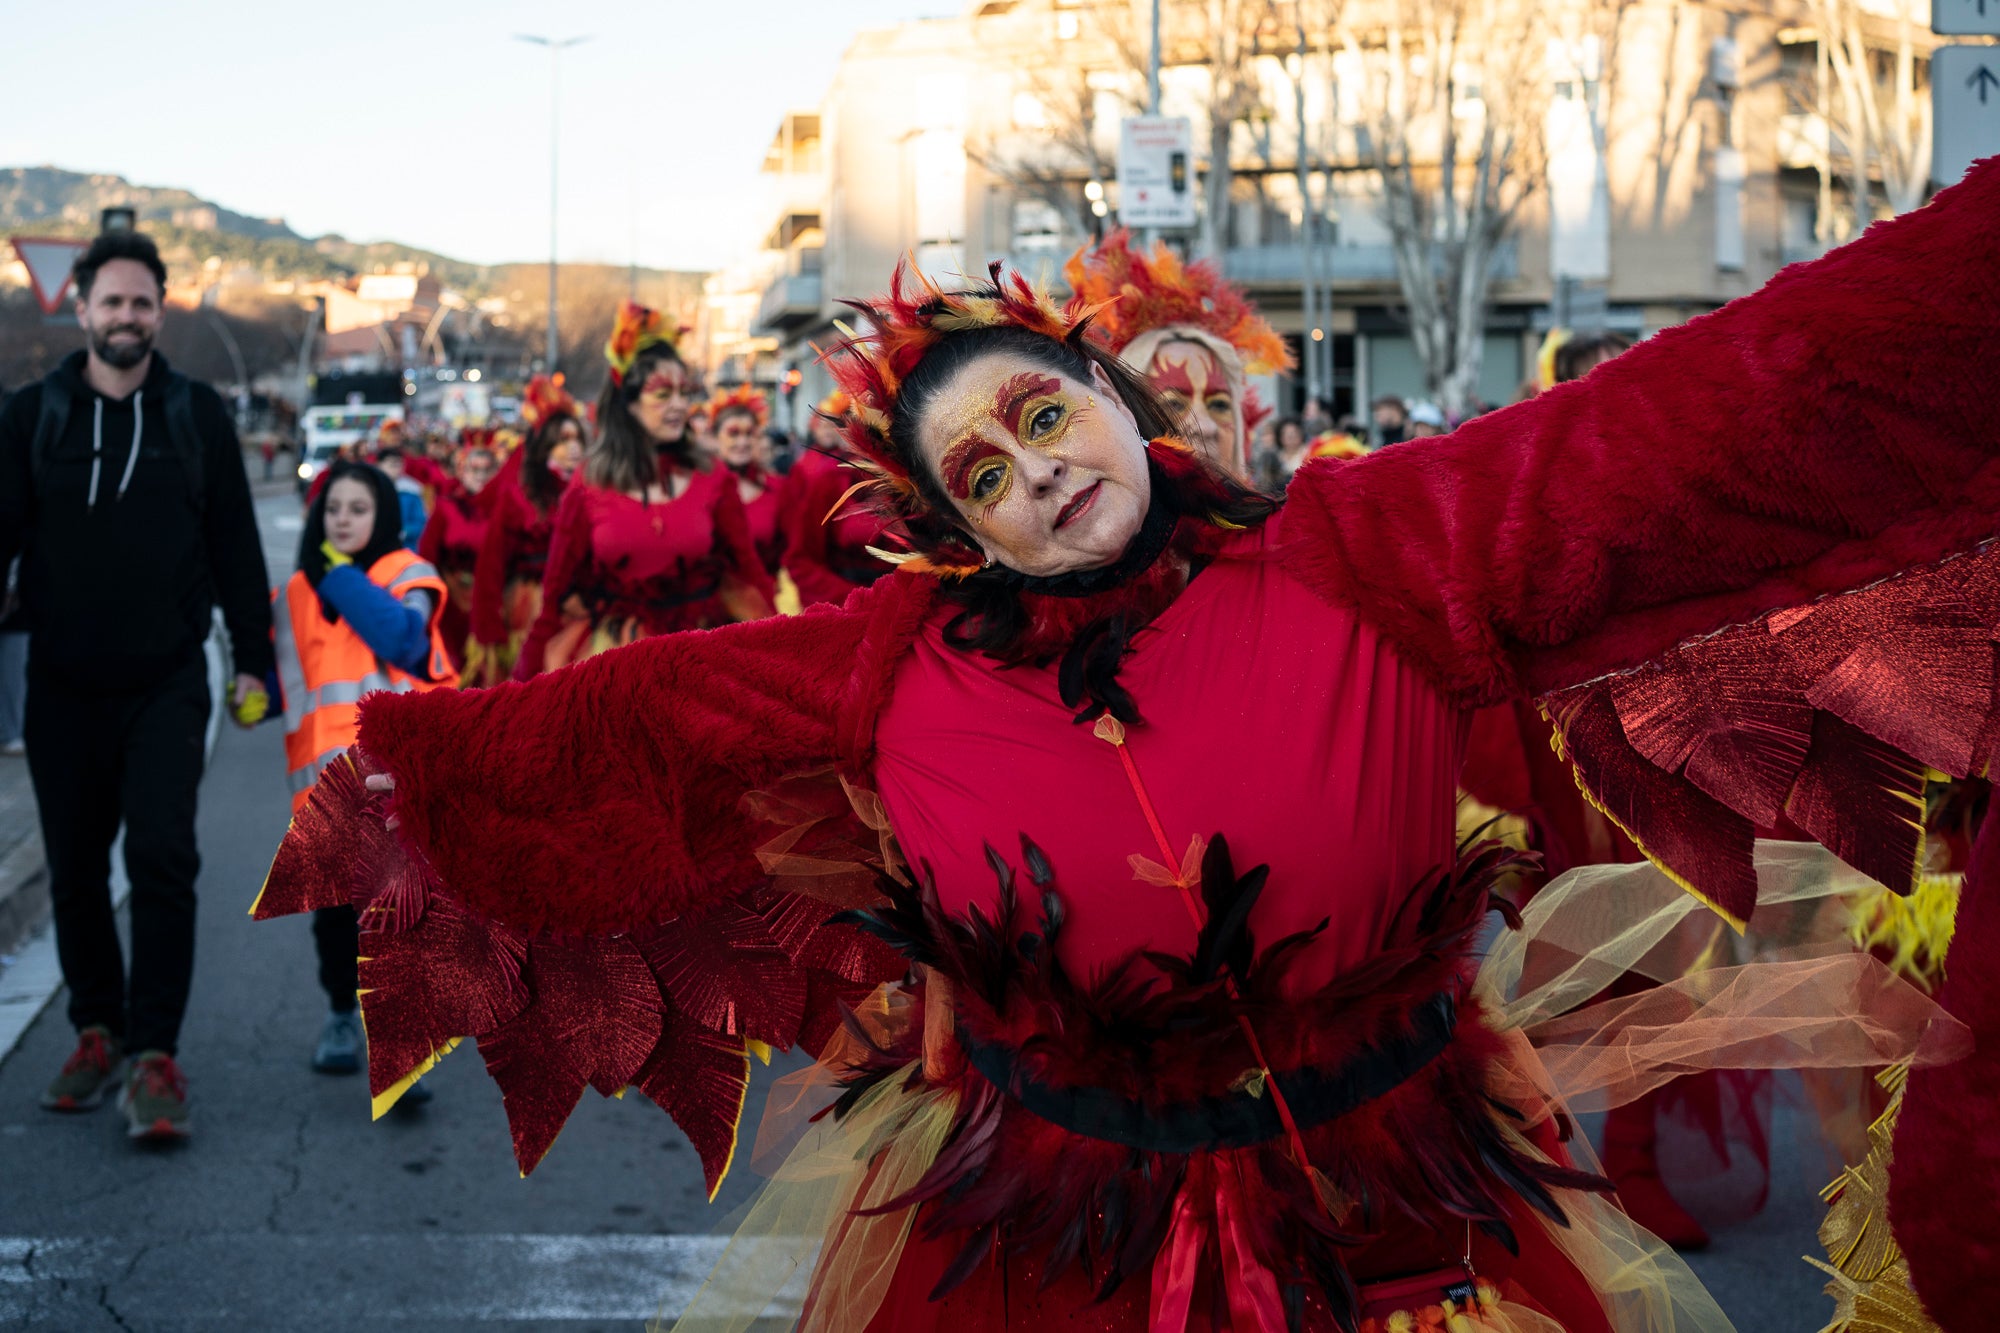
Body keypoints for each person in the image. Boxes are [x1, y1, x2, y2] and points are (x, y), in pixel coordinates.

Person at [254, 161, 2000, 1331]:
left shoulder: (1369, 545)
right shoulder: (885, 663)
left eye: (1042, 416)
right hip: (1038, 1254)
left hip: (1406, 1234)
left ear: (1117, 399)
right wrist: (402, 776)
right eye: (984, 480)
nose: (1039, 473)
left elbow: (1715, 412)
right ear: (955, 532)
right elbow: (636, 720)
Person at [0, 229, 272, 1141]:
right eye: (110, 302)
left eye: (141, 302)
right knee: (76, 869)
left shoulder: (196, 416)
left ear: (162, 310)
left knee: (163, 858)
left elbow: (236, 546)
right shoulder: (32, 416)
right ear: (80, 309)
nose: (126, 317)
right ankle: (95, 1028)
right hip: (63, 683)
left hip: (167, 682)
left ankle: (155, 1051)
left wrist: (255, 661)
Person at [273, 460, 457, 1074]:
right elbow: (284, 680)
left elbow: (403, 641)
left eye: (358, 508)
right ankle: (339, 1016)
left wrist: (337, 575)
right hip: (321, 787)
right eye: (333, 509)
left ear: (381, 514)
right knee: (335, 920)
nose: (344, 519)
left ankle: (406, 1041)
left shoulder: (408, 572)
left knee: (401, 912)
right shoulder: (295, 591)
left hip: (397, 779)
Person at [511, 301, 775, 678]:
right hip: (617, 669)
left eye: (684, 392)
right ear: (627, 402)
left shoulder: (713, 476)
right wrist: (518, 691)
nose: (680, 405)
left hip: (704, 664)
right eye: (662, 394)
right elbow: (553, 598)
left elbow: (750, 573)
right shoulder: (588, 484)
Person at [1064, 230, 1291, 478]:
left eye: (1219, 405)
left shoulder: (1282, 515)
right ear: (1126, 414)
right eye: (1173, 404)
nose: (1205, 427)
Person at [467, 374, 582, 686]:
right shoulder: (519, 494)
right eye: (562, 439)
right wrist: (488, 626)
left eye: (576, 439)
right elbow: (491, 562)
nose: (573, 448)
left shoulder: (592, 486)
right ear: (544, 445)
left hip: (581, 608)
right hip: (530, 605)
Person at [415, 436, 497, 672]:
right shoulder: (446, 507)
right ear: (462, 470)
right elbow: (427, 555)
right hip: (453, 602)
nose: (481, 475)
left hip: (493, 600)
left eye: (487, 469)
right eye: (474, 469)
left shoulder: (503, 508)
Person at [707, 385, 787, 579]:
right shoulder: (700, 488)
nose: (742, 442)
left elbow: (794, 554)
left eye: (749, 434)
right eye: (733, 434)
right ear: (716, 439)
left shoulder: (779, 488)